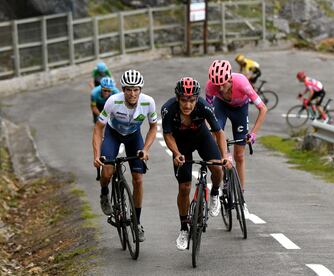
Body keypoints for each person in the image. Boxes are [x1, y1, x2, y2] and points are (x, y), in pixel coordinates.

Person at [161, 77, 231, 251]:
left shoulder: (204, 107)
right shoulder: (168, 110)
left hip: (202, 138)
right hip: (181, 145)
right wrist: (176, 154)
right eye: (184, 100)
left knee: (216, 167)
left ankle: (215, 192)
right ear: (177, 98)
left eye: (192, 100)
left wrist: (224, 156)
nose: (188, 105)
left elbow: (218, 132)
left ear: (196, 99)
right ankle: (184, 228)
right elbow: (168, 135)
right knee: (184, 187)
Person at [92, 69, 157, 242]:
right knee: (106, 172)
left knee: (138, 179)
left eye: (136, 89)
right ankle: (105, 192)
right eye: (128, 89)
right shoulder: (113, 101)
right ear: (123, 89)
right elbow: (99, 129)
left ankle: (137, 222)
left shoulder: (148, 102)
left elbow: (153, 127)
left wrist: (146, 149)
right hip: (113, 134)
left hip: (134, 137)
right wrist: (97, 155)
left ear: (140, 90)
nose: (132, 93)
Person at [206, 59, 267, 215]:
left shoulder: (242, 82)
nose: (220, 88)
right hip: (221, 108)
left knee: (239, 155)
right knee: (216, 135)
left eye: (223, 84)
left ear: (230, 79)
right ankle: (220, 184)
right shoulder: (211, 86)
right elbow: (208, 114)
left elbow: (263, 109)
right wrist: (217, 137)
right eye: (216, 84)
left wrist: (253, 134)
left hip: (240, 110)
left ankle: (241, 199)